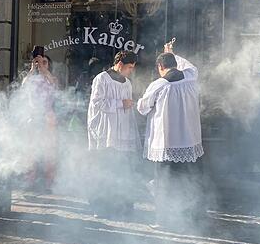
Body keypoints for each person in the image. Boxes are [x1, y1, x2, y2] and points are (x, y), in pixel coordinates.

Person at [136, 39, 203, 229]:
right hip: (188, 141)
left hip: (166, 144)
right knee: (187, 181)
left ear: (160, 66)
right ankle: (190, 219)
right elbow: (189, 66)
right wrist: (172, 52)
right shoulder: (190, 77)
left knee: (164, 184)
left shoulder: (159, 84)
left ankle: (164, 221)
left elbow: (142, 107)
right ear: (175, 64)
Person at [87, 50, 139, 216]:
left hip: (122, 134)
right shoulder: (102, 78)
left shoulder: (127, 83)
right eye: (129, 67)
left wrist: (128, 106)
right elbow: (96, 103)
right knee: (104, 171)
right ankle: (100, 207)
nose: (131, 71)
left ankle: (121, 206)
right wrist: (120, 103)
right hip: (106, 133)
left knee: (122, 171)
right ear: (120, 64)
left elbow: (126, 108)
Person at [21, 52, 59, 192]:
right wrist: (32, 69)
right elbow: (23, 86)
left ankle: (49, 183)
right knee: (30, 151)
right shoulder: (31, 79)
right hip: (33, 117)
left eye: (45, 62)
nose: (42, 65)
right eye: (39, 62)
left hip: (48, 118)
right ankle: (29, 181)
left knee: (49, 152)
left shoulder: (51, 78)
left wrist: (44, 70)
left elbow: (55, 86)